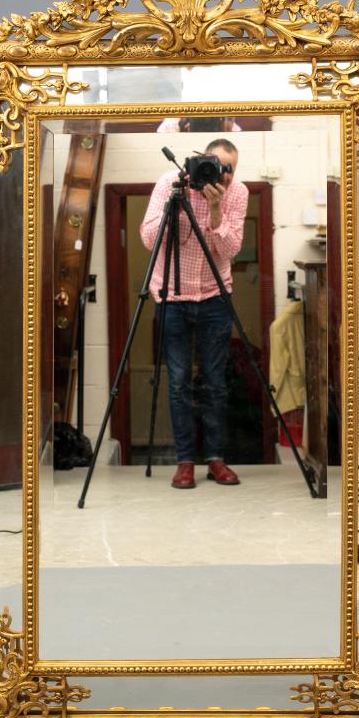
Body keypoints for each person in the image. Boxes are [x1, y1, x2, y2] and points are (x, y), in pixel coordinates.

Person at [139, 139, 248, 489]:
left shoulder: (238, 193)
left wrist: (216, 210)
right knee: (179, 383)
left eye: (230, 169)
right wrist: (177, 204)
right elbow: (148, 238)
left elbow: (230, 250)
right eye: (218, 166)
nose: (224, 175)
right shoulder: (169, 183)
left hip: (215, 297)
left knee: (215, 383)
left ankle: (216, 459)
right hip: (172, 296)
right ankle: (184, 461)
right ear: (201, 161)